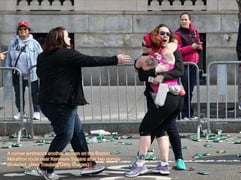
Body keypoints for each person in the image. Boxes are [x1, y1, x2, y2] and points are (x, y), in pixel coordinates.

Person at [35, 26, 131, 180]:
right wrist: (115, 59)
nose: (69, 39)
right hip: (61, 103)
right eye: (67, 36)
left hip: (49, 102)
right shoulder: (66, 55)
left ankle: (88, 165)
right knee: (64, 136)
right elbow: (90, 60)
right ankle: (46, 167)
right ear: (59, 38)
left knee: (77, 133)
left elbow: (40, 74)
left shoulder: (42, 56)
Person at [125, 24, 184, 178]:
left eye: (144, 44)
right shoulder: (165, 54)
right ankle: (164, 165)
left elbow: (138, 67)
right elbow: (147, 72)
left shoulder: (149, 58)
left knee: (145, 129)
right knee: (160, 130)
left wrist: (157, 72)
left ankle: (140, 164)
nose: (143, 47)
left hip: (165, 98)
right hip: (176, 98)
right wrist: (158, 70)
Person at [5, 21, 42, 120]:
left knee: (35, 93)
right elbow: (9, 57)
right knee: (19, 94)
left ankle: (36, 111)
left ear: (28, 31)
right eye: (20, 29)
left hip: (32, 73)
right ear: (18, 31)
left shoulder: (34, 43)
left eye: (25, 29)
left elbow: (41, 56)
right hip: (17, 73)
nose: (23, 31)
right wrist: (8, 69)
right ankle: (21, 112)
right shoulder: (13, 43)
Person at [175, 12, 202, 120]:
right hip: (184, 65)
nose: (184, 21)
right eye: (182, 19)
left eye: (186, 19)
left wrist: (199, 47)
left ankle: (189, 113)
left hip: (194, 65)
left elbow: (198, 43)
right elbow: (178, 50)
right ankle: (183, 114)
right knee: (184, 90)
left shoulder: (194, 31)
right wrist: (192, 47)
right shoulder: (178, 34)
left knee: (190, 90)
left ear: (190, 21)